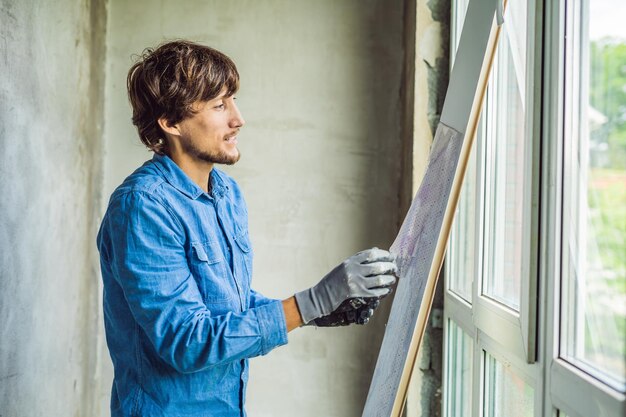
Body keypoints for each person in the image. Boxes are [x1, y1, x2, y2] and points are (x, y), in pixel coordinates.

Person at [96, 40, 398, 417]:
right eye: (219, 105)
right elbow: (187, 341)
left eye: (233, 100)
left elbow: (225, 302)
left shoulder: (225, 193)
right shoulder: (142, 207)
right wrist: (308, 305)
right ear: (170, 123)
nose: (238, 119)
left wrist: (320, 309)